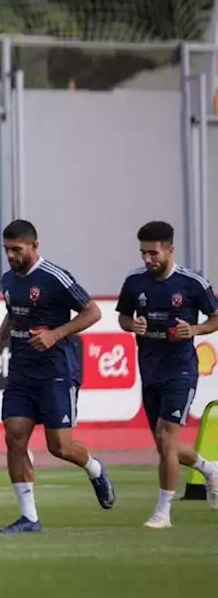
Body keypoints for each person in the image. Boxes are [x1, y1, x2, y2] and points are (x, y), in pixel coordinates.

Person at [0, 219, 114, 535]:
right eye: (7, 250)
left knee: (60, 446)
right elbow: (14, 311)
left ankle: (94, 468)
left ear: (34, 246)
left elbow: (93, 311)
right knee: (14, 438)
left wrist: (56, 334)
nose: (11, 256)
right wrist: (0, 339)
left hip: (57, 372)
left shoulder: (55, 277)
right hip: (21, 373)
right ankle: (29, 518)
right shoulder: (9, 279)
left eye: (17, 250)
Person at [115, 220, 218, 527]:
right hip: (150, 370)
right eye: (143, 253)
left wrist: (196, 329)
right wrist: (133, 325)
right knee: (163, 445)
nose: (148, 260)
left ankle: (163, 512)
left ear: (170, 249)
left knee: (165, 437)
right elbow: (122, 317)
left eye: (154, 253)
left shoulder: (192, 283)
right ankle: (210, 469)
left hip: (181, 370)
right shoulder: (134, 283)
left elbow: (215, 317)